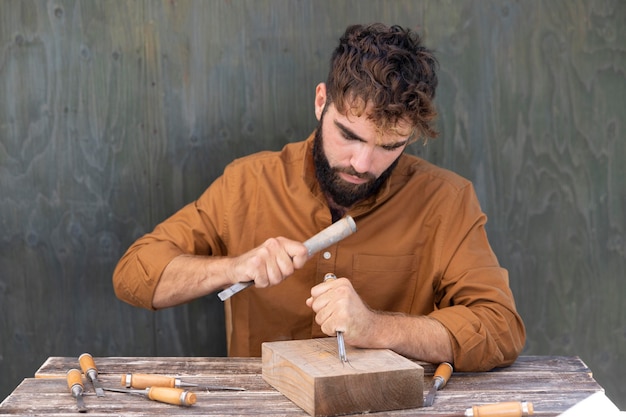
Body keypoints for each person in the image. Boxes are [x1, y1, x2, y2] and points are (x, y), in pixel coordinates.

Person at [113, 23, 525, 371]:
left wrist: (376, 328)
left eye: (390, 145)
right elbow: (134, 275)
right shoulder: (248, 183)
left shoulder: (447, 200)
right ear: (320, 101)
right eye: (349, 135)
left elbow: (500, 327)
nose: (363, 163)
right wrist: (236, 266)